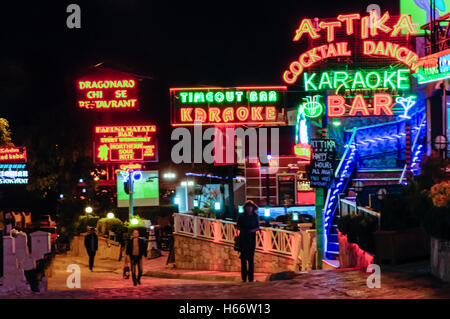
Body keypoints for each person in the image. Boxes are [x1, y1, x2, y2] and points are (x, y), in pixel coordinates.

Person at [237, 200, 260, 283]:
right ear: (245, 208)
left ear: (253, 208)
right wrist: (244, 231)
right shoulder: (242, 216)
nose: (249, 208)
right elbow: (238, 226)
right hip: (243, 239)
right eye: (247, 207)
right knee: (243, 259)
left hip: (251, 239)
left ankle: (251, 278)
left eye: (250, 207)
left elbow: (258, 226)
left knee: (251, 259)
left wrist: (252, 231)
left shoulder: (255, 216)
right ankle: (244, 278)